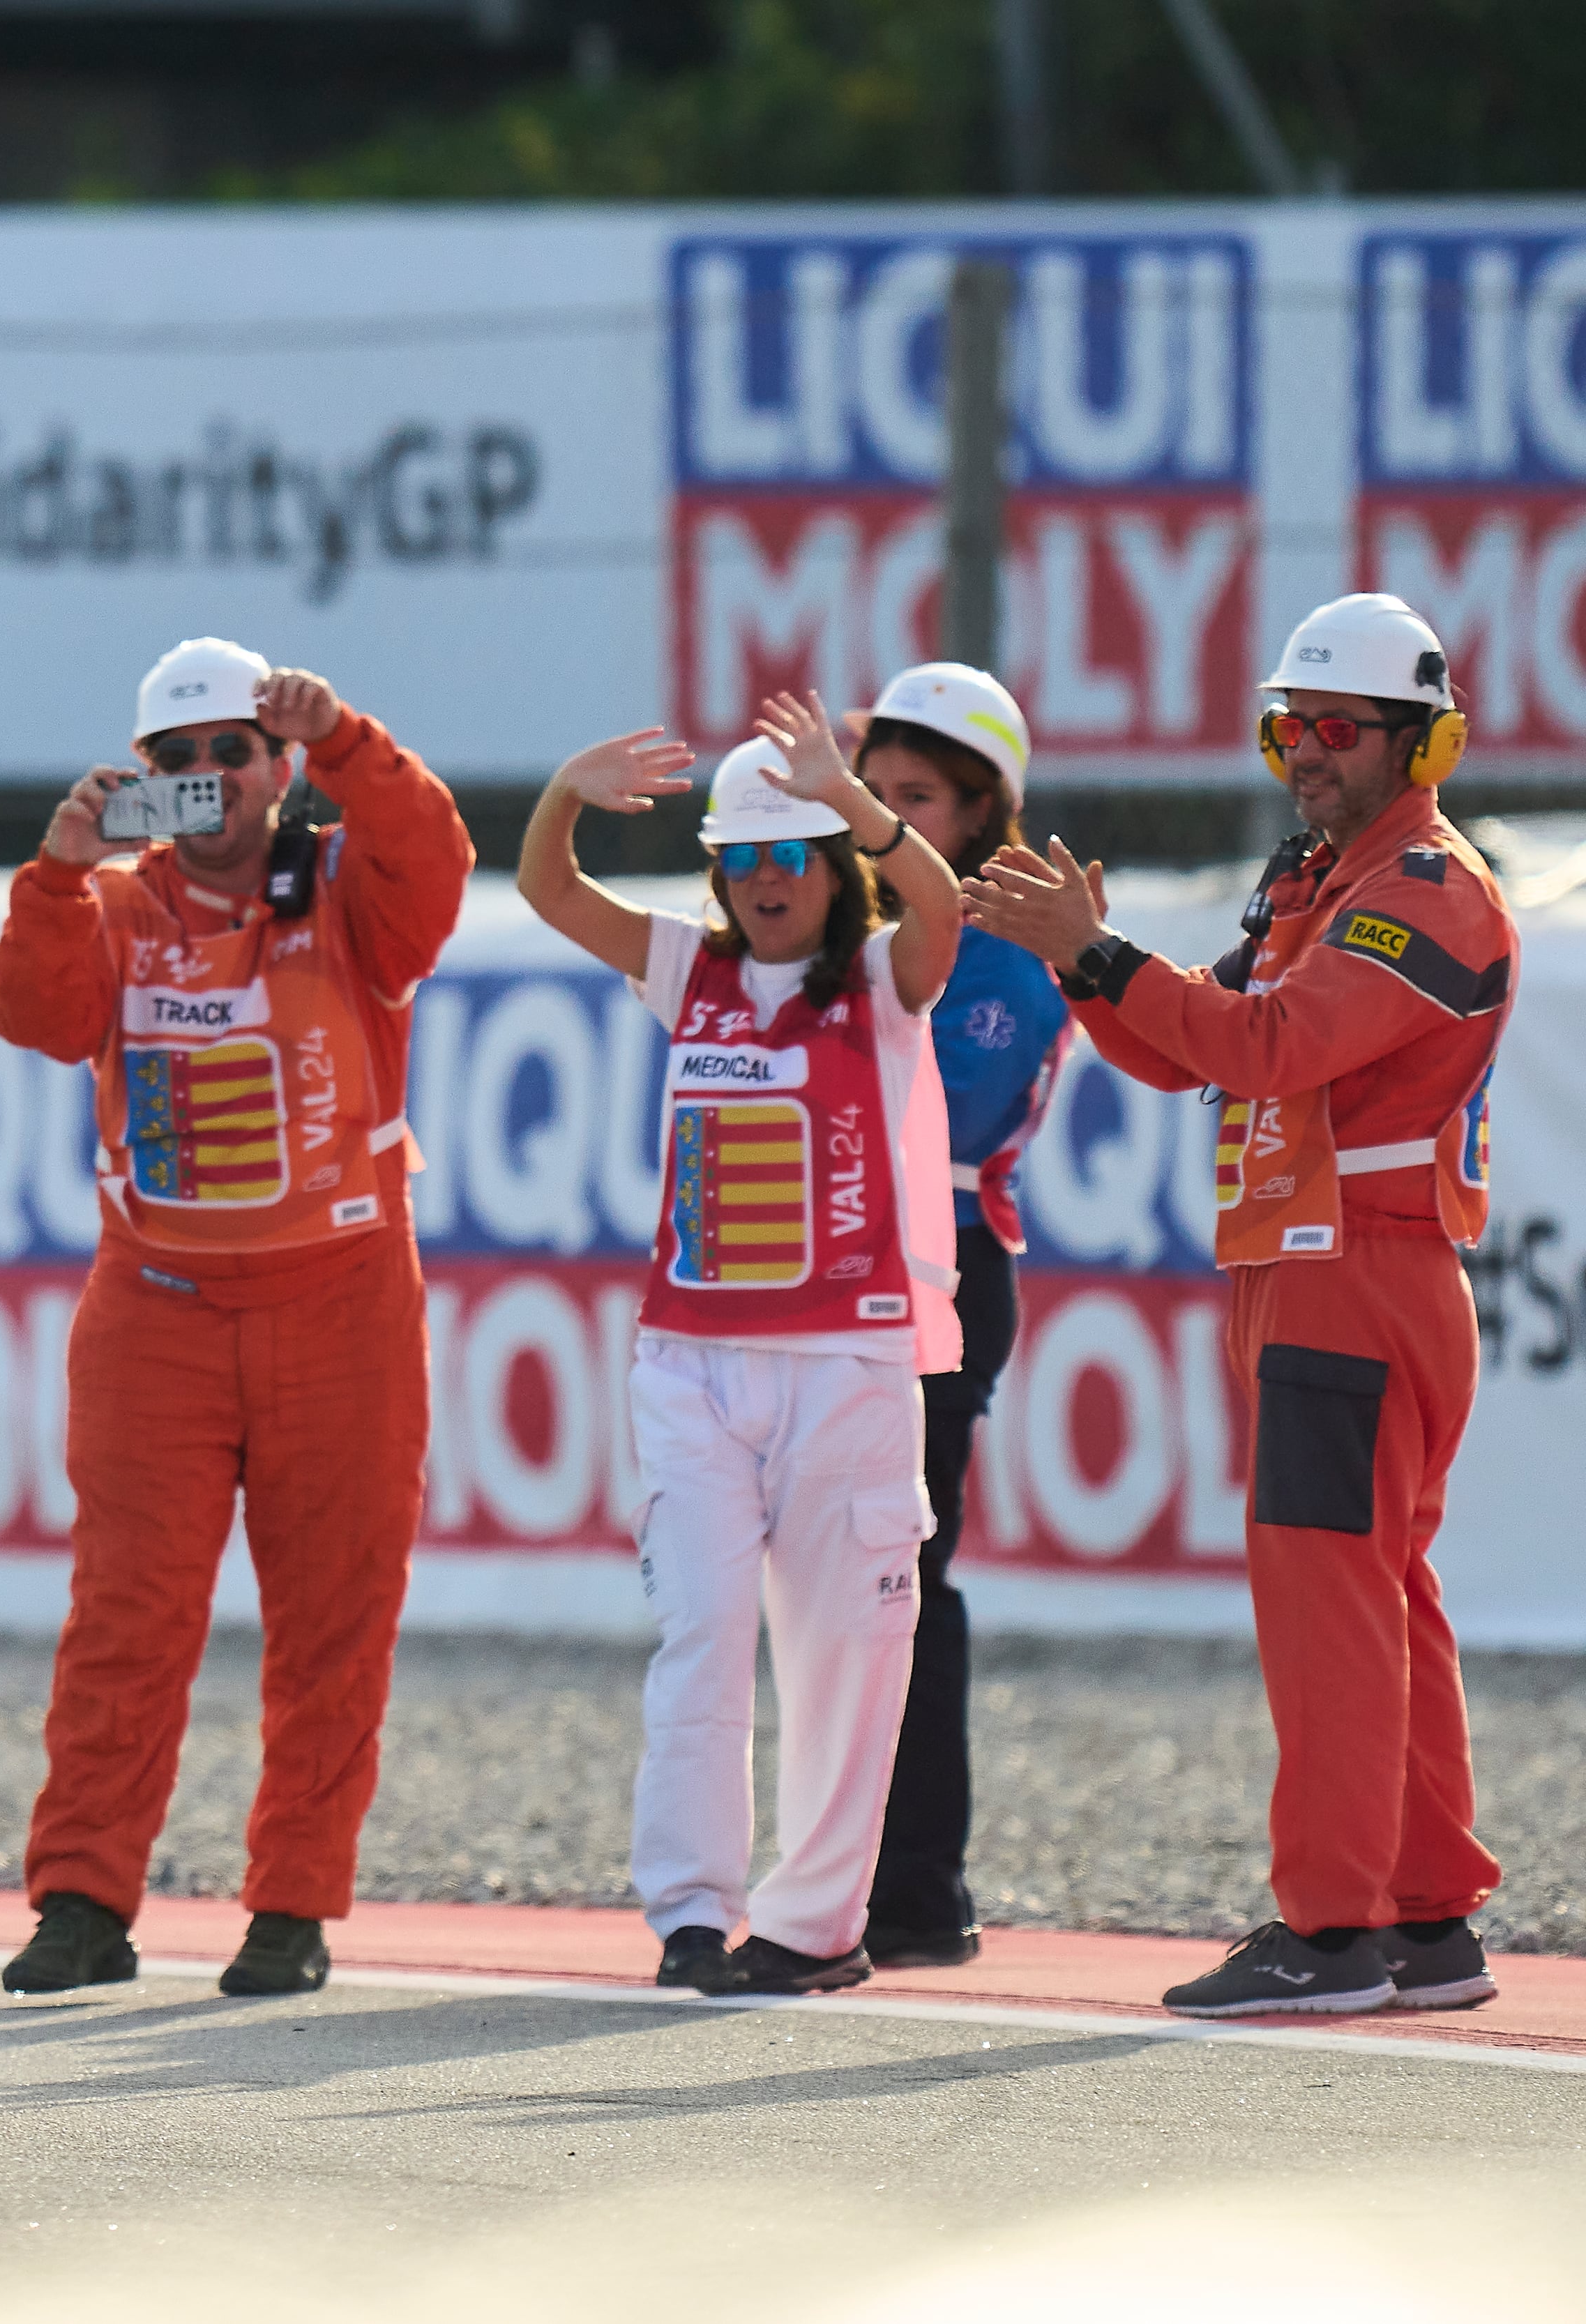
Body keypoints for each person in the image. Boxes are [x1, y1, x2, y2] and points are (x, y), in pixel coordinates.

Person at [964, 593, 1513, 2019]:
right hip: (1319, 1269)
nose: (1307, 751)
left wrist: (1096, 954)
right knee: (1381, 1598)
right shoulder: (1321, 880)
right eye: (1290, 724)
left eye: (1338, 727)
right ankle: (1425, 1919)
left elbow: (1268, 1045)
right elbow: (1183, 1042)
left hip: (1359, 1277)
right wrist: (1075, 963)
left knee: (1330, 1607)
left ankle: (1328, 1933)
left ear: (1422, 740)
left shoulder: (1426, 891)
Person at [0, 637, 474, 1999]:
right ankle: (82, 1899)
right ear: (142, 776)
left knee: (334, 1619)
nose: (205, 780)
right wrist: (54, 868)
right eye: (175, 762)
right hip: (156, 1308)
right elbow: (32, 1013)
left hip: (344, 1299)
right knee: (124, 1618)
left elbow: (433, 864)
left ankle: (292, 1907)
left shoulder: (347, 887)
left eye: (230, 754)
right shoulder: (109, 902)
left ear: (279, 766)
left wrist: (354, 741)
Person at [516, 697, 962, 1998]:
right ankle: (693, 1915)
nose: (768, 882)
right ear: (721, 873)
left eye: (793, 857)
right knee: (703, 1638)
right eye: (746, 859)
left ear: (836, 871)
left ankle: (816, 1928)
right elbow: (550, 887)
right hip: (691, 1365)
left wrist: (863, 804)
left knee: (842, 1667)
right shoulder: (690, 970)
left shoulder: (883, 981)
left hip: (849, 1366)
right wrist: (567, 785)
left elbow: (937, 913)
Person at [848, 664, 1068, 1973]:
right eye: (873, 793)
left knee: (908, 1579)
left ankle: (920, 1887)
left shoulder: (1014, 955)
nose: (886, 817)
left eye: (917, 797)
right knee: (823, 1584)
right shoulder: (834, 917)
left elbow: (956, 1100)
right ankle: (835, 1870)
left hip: (945, 1271)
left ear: (988, 808)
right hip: (822, 1276)